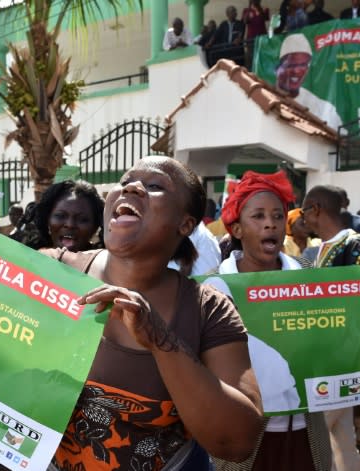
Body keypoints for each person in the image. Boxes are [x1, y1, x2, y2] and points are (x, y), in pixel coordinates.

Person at [44, 156, 263, 470]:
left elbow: (237, 441)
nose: (131, 187)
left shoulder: (208, 310)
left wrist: (160, 339)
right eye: (124, 182)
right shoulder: (51, 271)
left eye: (155, 185)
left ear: (185, 224)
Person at [212, 170, 332, 471]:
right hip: (246, 438)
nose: (270, 223)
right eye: (259, 216)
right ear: (237, 229)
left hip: (304, 431)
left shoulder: (306, 273)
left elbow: (333, 331)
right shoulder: (214, 287)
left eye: (278, 215)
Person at [300, 184, 360, 471]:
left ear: (316, 209)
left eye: (304, 211)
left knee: (316, 432)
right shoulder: (316, 251)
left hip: (344, 357)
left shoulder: (355, 245)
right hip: (323, 358)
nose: (302, 218)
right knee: (342, 434)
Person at [275, 34, 343, 131]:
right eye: (291, 65)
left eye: (303, 65)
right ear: (279, 68)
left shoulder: (322, 107)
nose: (297, 71)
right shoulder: (264, 98)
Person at [33, 179, 104, 252]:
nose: (70, 225)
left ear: (95, 227)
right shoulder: (30, 260)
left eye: (82, 219)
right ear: (47, 220)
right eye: (60, 216)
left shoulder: (106, 262)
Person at [242, 0, 269, 68]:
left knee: (263, 57)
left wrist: (258, 9)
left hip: (263, 38)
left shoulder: (265, 9)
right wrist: (249, 6)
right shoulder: (246, 10)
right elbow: (245, 21)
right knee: (252, 58)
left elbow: (265, 18)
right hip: (251, 39)